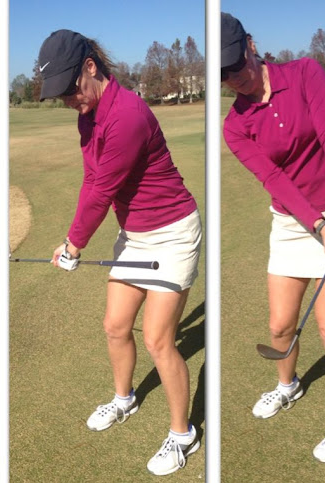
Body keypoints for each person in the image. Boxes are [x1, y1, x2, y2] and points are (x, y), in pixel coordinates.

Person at [37, 29, 202, 476]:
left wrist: (74, 243)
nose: (68, 100)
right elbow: (91, 180)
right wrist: (70, 238)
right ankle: (124, 399)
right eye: (60, 96)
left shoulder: (127, 114)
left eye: (70, 89)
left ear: (91, 67)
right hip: (135, 234)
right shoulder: (88, 116)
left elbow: (103, 191)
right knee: (115, 326)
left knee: (158, 339)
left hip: (173, 232)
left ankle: (182, 433)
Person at [221, 12, 325, 463]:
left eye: (235, 64)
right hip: (292, 222)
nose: (234, 78)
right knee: (281, 324)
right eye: (222, 75)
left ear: (250, 45)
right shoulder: (234, 125)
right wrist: (317, 226)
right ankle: (288, 385)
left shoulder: (305, 72)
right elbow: (274, 179)